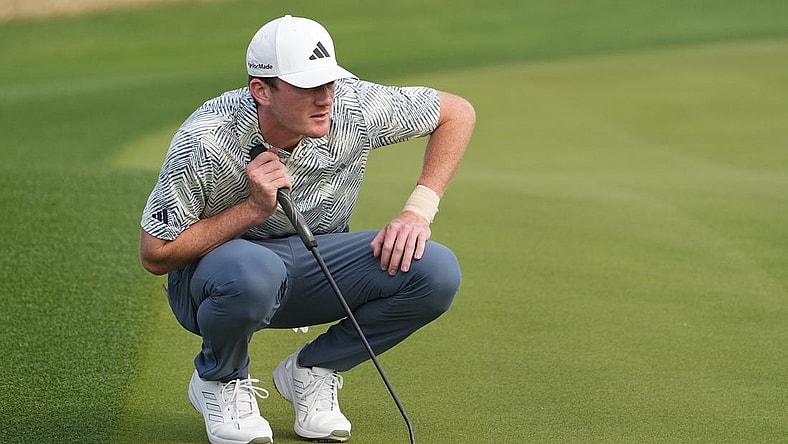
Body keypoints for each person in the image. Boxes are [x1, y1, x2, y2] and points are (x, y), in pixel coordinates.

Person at [139, 14, 475, 444]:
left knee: (435, 270)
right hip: (218, 283)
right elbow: (155, 255)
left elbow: (457, 113)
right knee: (253, 271)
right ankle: (220, 380)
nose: (325, 98)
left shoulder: (354, 105)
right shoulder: (206, 139)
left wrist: (417, 211)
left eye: (329, 82)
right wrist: (252, 209)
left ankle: (313, 370)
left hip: (316, 268)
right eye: (307, 87)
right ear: (261, 90)